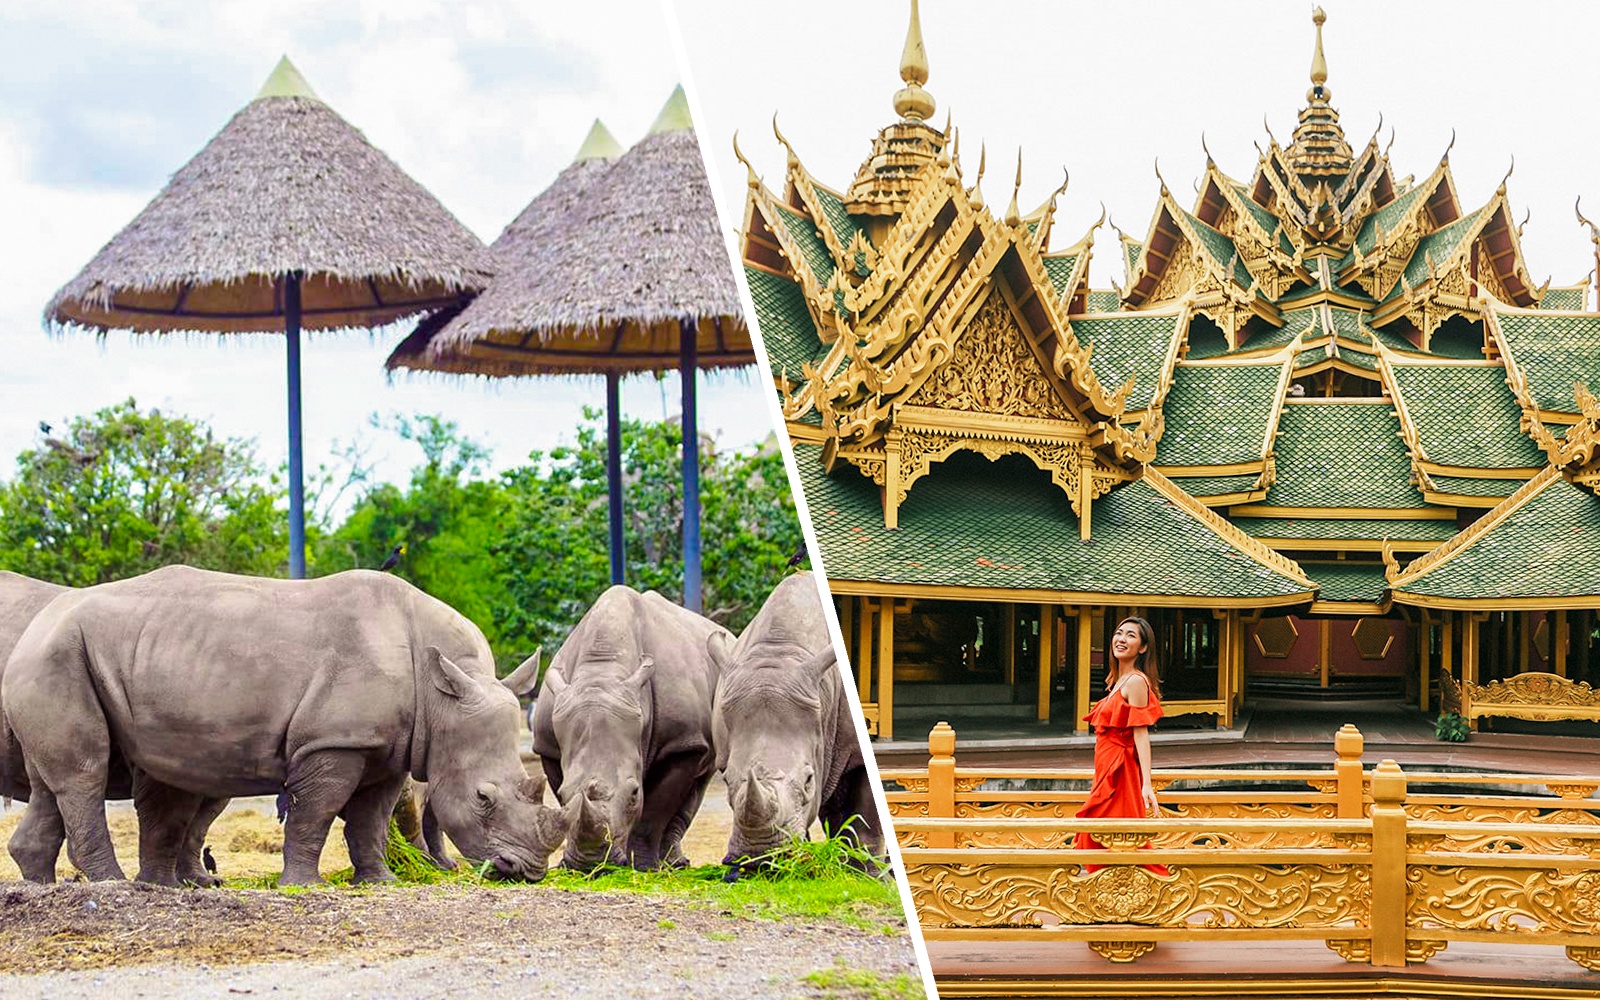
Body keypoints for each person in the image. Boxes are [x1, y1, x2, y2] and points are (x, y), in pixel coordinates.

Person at [1073, 615, 1169, 875]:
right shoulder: (1118, 681)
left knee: (1117, 830)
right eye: (1119, 633)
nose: (1122, 639)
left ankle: (1145, 888)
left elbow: (1141, 733)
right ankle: (1108, 890)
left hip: (1121, 770)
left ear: (1143, 647)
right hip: (1106, 765)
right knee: (1102, 830)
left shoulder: (1136, 681)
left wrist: (1146, 783)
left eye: (1131, 636)